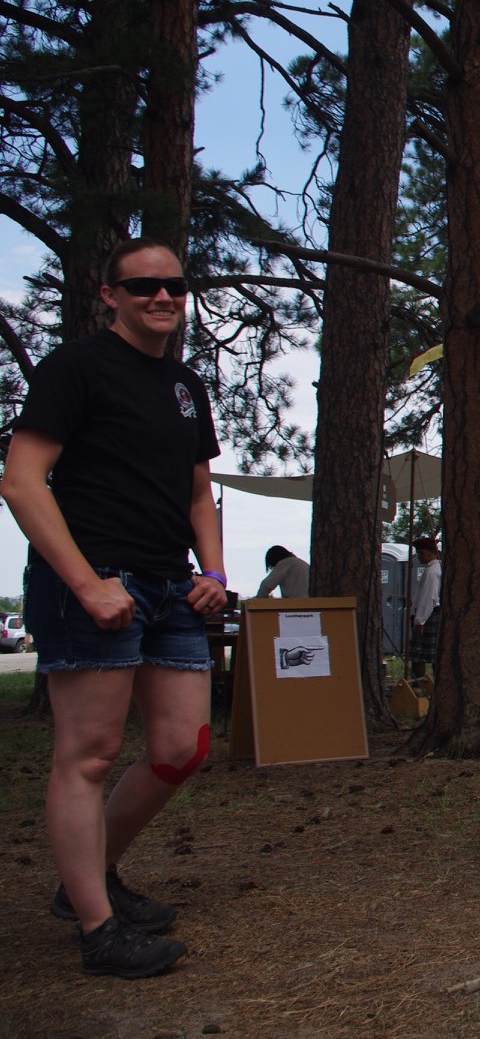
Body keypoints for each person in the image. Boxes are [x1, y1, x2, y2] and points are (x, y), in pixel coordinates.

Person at [0, 237, 227, 979]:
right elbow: (22, 482)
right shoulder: (75, 368)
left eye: (174, 286)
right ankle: (98, 929)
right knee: (88, 755)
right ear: (109, 296)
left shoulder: (187, 386)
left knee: (181, 748)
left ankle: (87, 879)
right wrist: (85, 583)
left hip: (171, 587)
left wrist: (215, 568)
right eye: (143, 287)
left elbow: (199, 491)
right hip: (94, 579)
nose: (162, 297)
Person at [408, 536, 442, 678]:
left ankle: (418, 684)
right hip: (430, 614)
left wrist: (419, 622)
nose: (419, 557)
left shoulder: (432, 572)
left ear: (430, 552)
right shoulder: (435, 568)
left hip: (428, 615)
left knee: (417, 655)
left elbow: (428, 598)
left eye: (421, 553)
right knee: (434, 654)